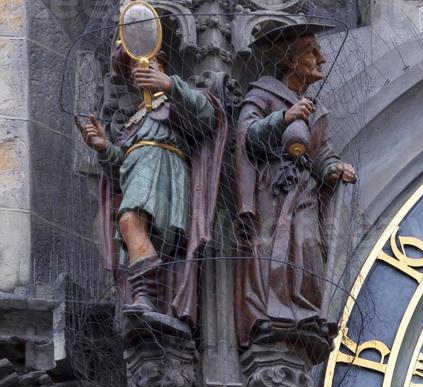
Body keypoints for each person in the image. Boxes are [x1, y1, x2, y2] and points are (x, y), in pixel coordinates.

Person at [75, 46, 225, 331]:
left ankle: (149, 295)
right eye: (131, 66)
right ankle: (147, 296)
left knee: (130, 220)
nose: (137, 68)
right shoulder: (133, 121)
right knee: (131, 223)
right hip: (139, 179)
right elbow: (121, 171)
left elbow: (207, 117)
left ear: (160, 64)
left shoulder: (174, 101)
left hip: (165, 174)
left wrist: (169, 85)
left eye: (145, 61)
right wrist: (105, 147)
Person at [236, 22, 357, 350]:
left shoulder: (317, 111)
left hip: (303, 191)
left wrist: (333, 169)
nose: (322, 58)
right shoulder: (262, 93)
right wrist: (283, 119)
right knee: (272, 246)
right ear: (290, 61)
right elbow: (246, 136)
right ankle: (272, 312)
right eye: (312, 52)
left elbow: (322, 154)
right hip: (272, 189)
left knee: (306, 248)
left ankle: (303, 310)